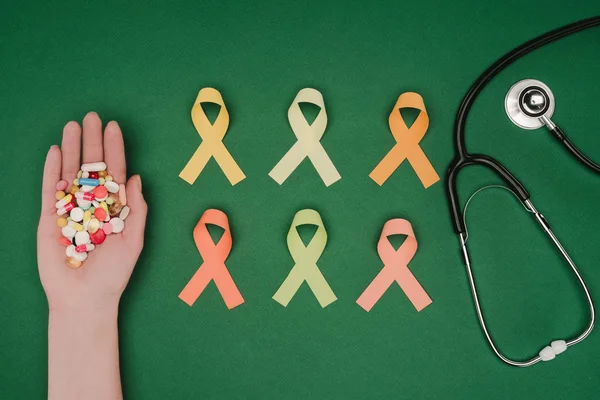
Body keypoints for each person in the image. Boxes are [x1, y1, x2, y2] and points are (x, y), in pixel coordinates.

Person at [37, 112, 148, 400]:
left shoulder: (88, 209)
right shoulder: (77, 215)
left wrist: (82, 308)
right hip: (83, 228)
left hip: (86, 227)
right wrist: (78, 307)